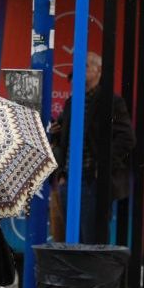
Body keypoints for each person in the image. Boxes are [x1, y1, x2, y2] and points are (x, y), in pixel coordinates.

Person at [49, 52, 135, 244]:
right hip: (69, 178)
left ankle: (91, 274)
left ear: (98, 71)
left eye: (86, 66)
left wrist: (102, 167)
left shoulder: (110, 101)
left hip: (91, 180)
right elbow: (65, 135)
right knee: (71, 238)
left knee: (91, 239)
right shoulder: (72, 101)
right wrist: (57, 133)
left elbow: (127, 138)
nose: (80, 70)